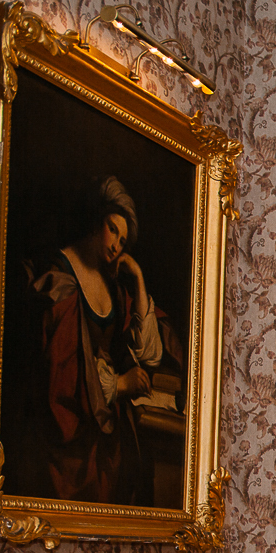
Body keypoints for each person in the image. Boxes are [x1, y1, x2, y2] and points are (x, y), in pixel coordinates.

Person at [28, 176, 175, 505]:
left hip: (107, 436)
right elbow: (59, 378)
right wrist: (120, 386)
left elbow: (149, 355)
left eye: (122, 241)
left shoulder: (114, 286)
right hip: (70, 435)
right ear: (96, 220)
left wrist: (137, 280)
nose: (115, 245)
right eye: (112, 229)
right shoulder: (60, 279)